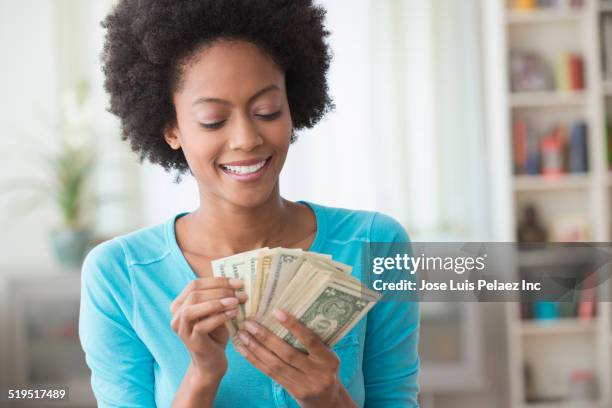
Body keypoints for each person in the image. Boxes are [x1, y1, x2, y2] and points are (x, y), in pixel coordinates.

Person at [78, 1, 420, 407]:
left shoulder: (376, 243)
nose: (246, 138)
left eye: (267, 111)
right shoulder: (119, 275)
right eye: (213, 120)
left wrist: (330, 399)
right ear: (171, 128)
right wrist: (202, 376)